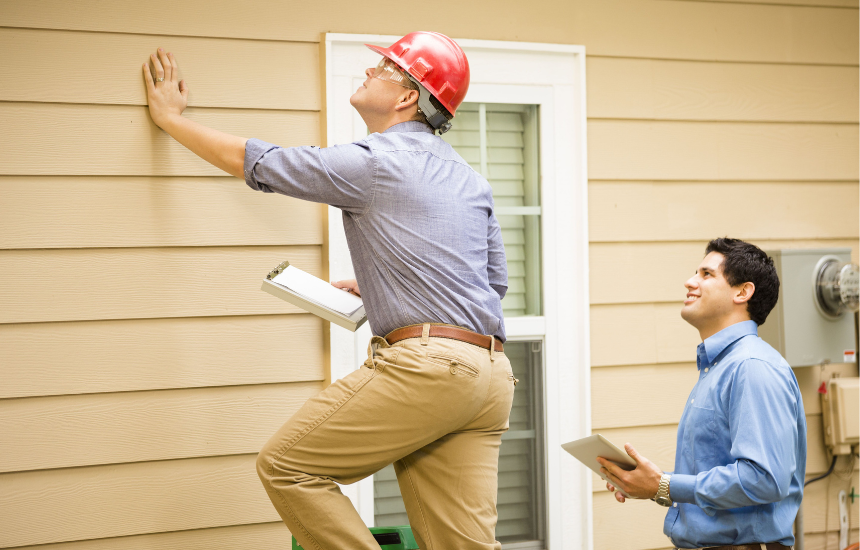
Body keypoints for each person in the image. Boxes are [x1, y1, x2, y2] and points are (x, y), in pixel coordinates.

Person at [142, 32, 515, 550]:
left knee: (287, 466)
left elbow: (262, 164)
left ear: (408, 97)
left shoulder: (374, 161)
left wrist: (171, 120)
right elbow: (490, 283)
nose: (369, 72)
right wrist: (388, 282)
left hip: (430, 370)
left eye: (384, 67)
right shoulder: (470, 179)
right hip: (491, 378)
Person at [597, 238, 806, 550]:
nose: (690, 281)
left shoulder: (751, 367)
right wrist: (650, 485)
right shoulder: (719, 367)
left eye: (706, 274)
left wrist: (665, 485)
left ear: (742, 292)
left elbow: (763, 479)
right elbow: (716, 483)